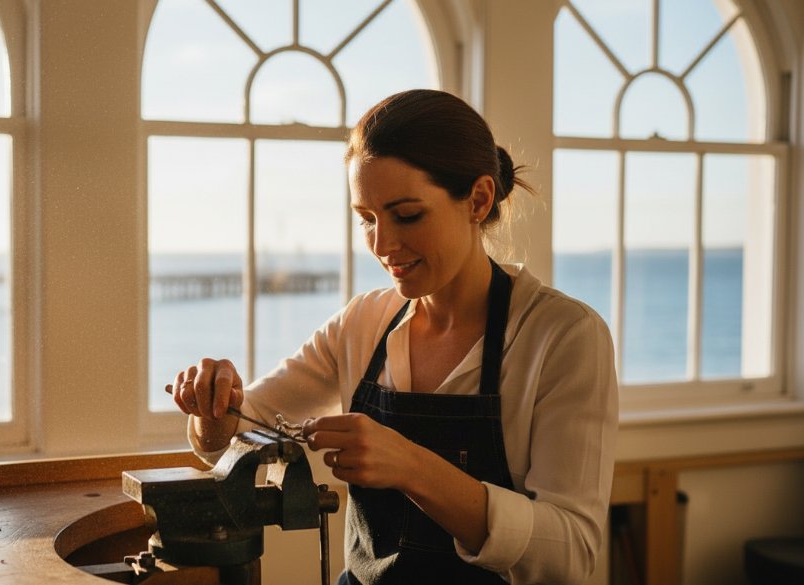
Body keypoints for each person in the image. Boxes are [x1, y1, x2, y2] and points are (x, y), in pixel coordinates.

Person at [171, 89, 618, 585]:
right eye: (366, 219)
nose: (383, 246)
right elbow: (240, 428)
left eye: (407, 215)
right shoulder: (362, 323)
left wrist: (412, 466)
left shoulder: (564, 338)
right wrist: (214, 409)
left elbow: (571, 554)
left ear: (478, 199)